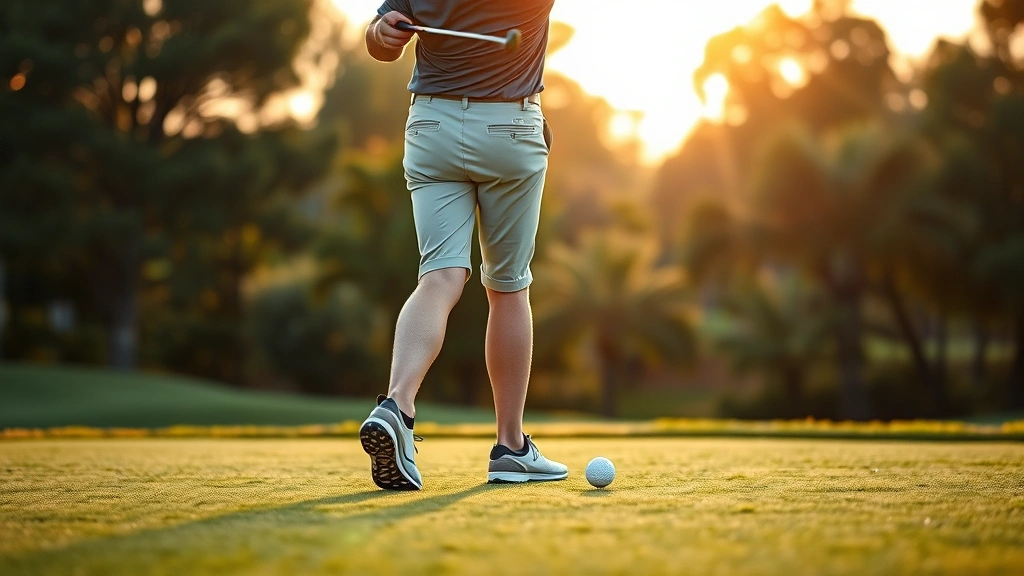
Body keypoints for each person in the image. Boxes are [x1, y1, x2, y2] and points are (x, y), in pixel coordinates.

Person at [358, 0, 566, 491]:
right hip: (510, 129)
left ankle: (398, 406)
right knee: (508, 287)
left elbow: (380, 39)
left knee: (439, 276)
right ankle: (511, 448)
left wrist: (379, 33)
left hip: (432, 127)